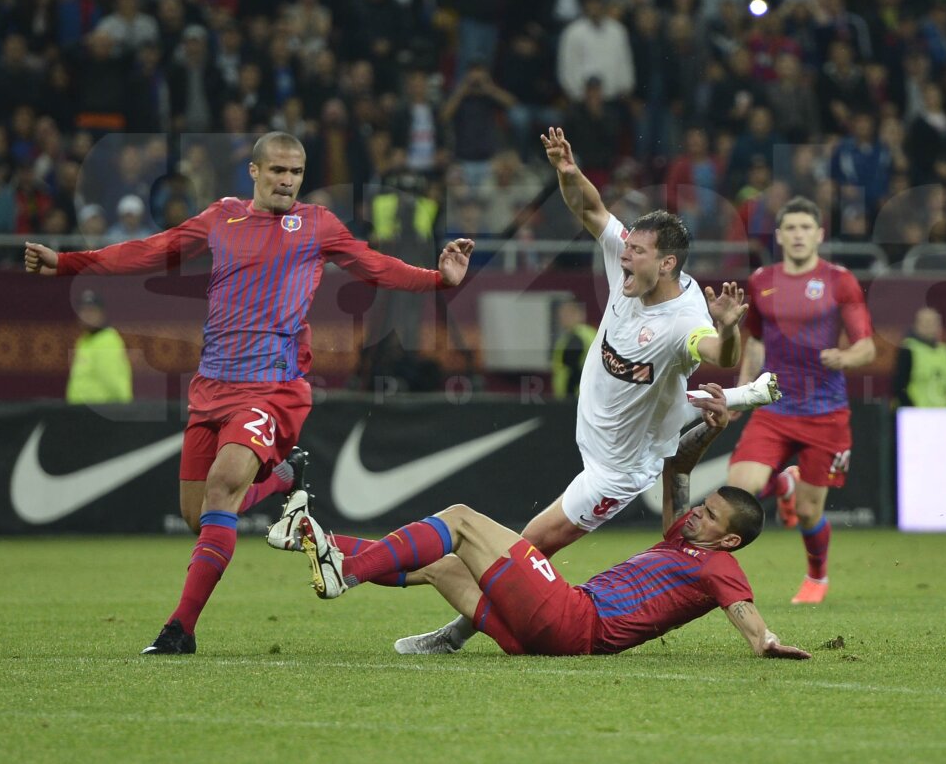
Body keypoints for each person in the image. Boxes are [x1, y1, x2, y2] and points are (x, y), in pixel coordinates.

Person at [24, 131, 474, 655]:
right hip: (211, 387)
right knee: (202, 515)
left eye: (297, 173)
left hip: (273, 389)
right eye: (278, 171)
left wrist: (438, 280)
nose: (287, 181)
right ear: (255, 173)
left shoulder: (317, 225)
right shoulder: (222, 217)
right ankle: (284, 476)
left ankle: (179, 630)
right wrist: (68, 263)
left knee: (222, 488)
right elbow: (151, 251)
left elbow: (375, 265)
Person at [355, 126, 779, 653]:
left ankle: (438, 623)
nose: (625, 257)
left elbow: (720, 355)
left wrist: (731, 327)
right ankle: (750, 395)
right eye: (627, 247)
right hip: (603, 429)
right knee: (511, 551)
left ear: (667, 263)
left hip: (618, 469)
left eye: (638, 252)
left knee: (523, 548)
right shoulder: (627, 261)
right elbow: (593, 211)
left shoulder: (683, 320)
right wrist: (566, 170)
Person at [274, 385, 810, 660]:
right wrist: (712, 429)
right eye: (702, 505)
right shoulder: (681, 538)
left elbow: (741, 607)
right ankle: (309, 535)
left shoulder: (716, 565)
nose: (696, 512)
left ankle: (345, 572)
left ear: (731, 539)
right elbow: (678, 467)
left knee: (459, 519)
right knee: (442, 564)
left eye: (709, 514)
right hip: (543, 636)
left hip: (575, 620)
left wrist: (764, 642)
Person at [727, 196, 876, 605]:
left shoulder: (839, 280)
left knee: (809, 513)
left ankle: (817, 577)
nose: (797, 235)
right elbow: (754, 340)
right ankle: (783, 481)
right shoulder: (760, 281)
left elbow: (866, 347)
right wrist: (741, 394)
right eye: (790, 228)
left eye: (805, 228)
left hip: (825, 413)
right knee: (739, 491)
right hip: (775, 407)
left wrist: (843, 357)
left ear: (819, 235)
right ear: (778, 236)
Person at [65, 290, 133, 404]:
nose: (87, 315)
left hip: (101, 414)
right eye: (83, 311)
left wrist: (123, 414)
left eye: (92, 311)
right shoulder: (84, 341)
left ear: (102, 314)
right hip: (81, 414)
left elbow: (114, 382)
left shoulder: (107, 341)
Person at [892, 307, 946, 408]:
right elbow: (898, 386)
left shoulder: (945, 351)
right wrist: (910, 409)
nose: (929, 326)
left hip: (943, 412)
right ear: (916, 325)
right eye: (925, 322)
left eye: (933, 322)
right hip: (915, 412)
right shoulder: (908, 349)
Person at [550, 299, 597, 398]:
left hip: (576, 398)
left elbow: (572, 372)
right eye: (563, 313)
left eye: (570, 313)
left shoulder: (577, 338)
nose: (564, 317)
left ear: (580, 314)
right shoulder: (589, 334)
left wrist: (568, 397)